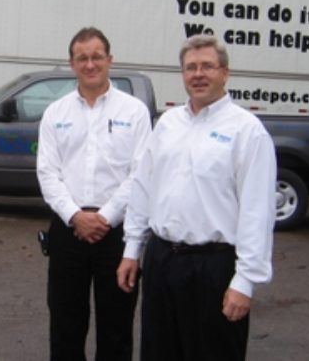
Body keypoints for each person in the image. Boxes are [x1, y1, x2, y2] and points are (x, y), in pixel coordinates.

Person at [117, 34, 276, 361]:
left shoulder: (247, 131)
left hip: (213, 268)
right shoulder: (167, 124)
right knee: (159, 351)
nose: (198, 74)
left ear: (225, 73)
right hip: (162, 261)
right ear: (182, 75)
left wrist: (245, 281)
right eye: (191, 68)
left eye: (207, 66)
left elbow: (257, 213)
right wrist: (132, 249)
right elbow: (144, 187)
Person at [36, 27, 152, 361]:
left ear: (109, 60)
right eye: (82, 58)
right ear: (71, 63)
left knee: (116, 329)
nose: (90, 64)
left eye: (96, 56)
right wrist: (75, 215)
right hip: (67, 229)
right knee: (65, 326)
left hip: (117, 233)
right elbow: (47, 173)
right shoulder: (56, 113)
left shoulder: (134, 112)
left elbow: (141, 174)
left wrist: (105, 217)